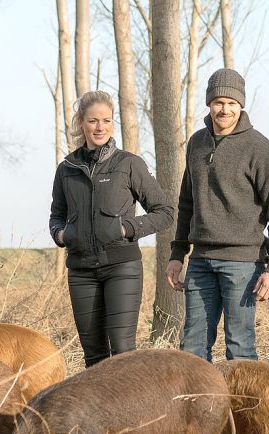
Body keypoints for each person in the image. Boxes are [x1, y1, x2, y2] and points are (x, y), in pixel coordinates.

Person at [166, 68, 269, 362]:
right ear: (209, 104)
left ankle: (244, 409)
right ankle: (200, 408)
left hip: (243, 264)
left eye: (232, 103)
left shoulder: (259, 148)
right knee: (192, 350)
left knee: (240, 348)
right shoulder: (196, 144)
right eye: (219, 102)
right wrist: (177, 254)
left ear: (241, 105)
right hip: (200, 262)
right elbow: (187, 203)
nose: (225, 109)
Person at [50, 91, 174, 367]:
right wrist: (62, 235)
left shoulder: (128, 164)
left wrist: (126, 228)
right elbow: (56, 216)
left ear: (113, 123)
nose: (100, 127)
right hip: (81, 271)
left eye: (106, 120)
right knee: (93, 356)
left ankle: (131, 410)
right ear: (81, 122)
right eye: (93, 120)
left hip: (122, 268)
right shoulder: (67, 168)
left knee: (122, 352)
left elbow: (165, 212)